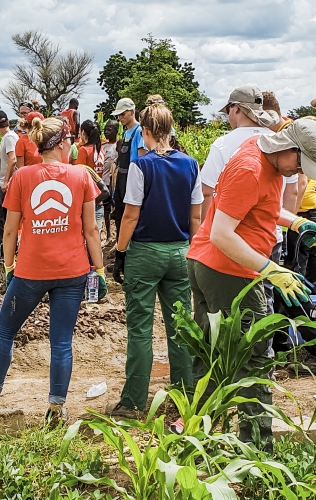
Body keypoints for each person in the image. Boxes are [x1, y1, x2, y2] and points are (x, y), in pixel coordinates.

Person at [185, 119, 316, 448]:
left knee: (210, 355)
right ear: (288, 148)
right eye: (299, 163)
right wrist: (272, 271)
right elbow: (222, 234)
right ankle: (258, 451)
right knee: (255, 358)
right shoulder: (249, 168)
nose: (297, 172)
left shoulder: (266, 155)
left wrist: (296, 222)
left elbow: (260, 206)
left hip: (211, 265)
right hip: (228, 272)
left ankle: (199, 438)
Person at [0, 116, 105, 423]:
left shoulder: (23, 177)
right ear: (63, 143)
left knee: (6, 332)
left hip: (30, 272)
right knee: (61, 341)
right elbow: (91, 230)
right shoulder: (81, 177)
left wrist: (9, 266)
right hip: (72, 272)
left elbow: (10, 231)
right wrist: (100, 272)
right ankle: (55, 409)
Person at [106, 96, 203, 419]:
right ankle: (186, 394)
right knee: (180, 326)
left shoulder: (141, 165)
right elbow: (195, 216)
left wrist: (119, 251)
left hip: (145, 251)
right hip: (180, 250)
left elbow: (130, 215)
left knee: (140, 328)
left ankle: (134, 401)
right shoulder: (190, 165)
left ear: (145, 131)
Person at [199, 85, 277, 219]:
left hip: (230, 232)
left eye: (228, 110)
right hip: (271, 232)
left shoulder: (223, 144)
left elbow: (207, 192)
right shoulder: (277, 141)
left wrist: (205, 232)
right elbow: (292, 190)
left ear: (236, 108)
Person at [111, 98, 148, 234]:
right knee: (120, 213)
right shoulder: (126, 133)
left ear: (131, 112)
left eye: (123, 114)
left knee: (130, 214)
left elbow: (142, 159)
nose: (120, 117)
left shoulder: (139, 132)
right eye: (119, 115)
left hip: (132, 177)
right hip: (121, 176)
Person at [73, 119, 106, 241]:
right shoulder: (100, 150)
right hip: (99, 200)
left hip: (87, 200)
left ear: (83, 133)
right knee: (95, 239)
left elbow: (80, 175)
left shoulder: (84, 150)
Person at [0, 111, 19, 256]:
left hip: (6, 184)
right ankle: (3, 247)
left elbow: (13, 159)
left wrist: (7, 181)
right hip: (2, 181)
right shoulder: (8, 137)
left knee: (3, 217)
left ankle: (8, 249)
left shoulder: (9, 137)